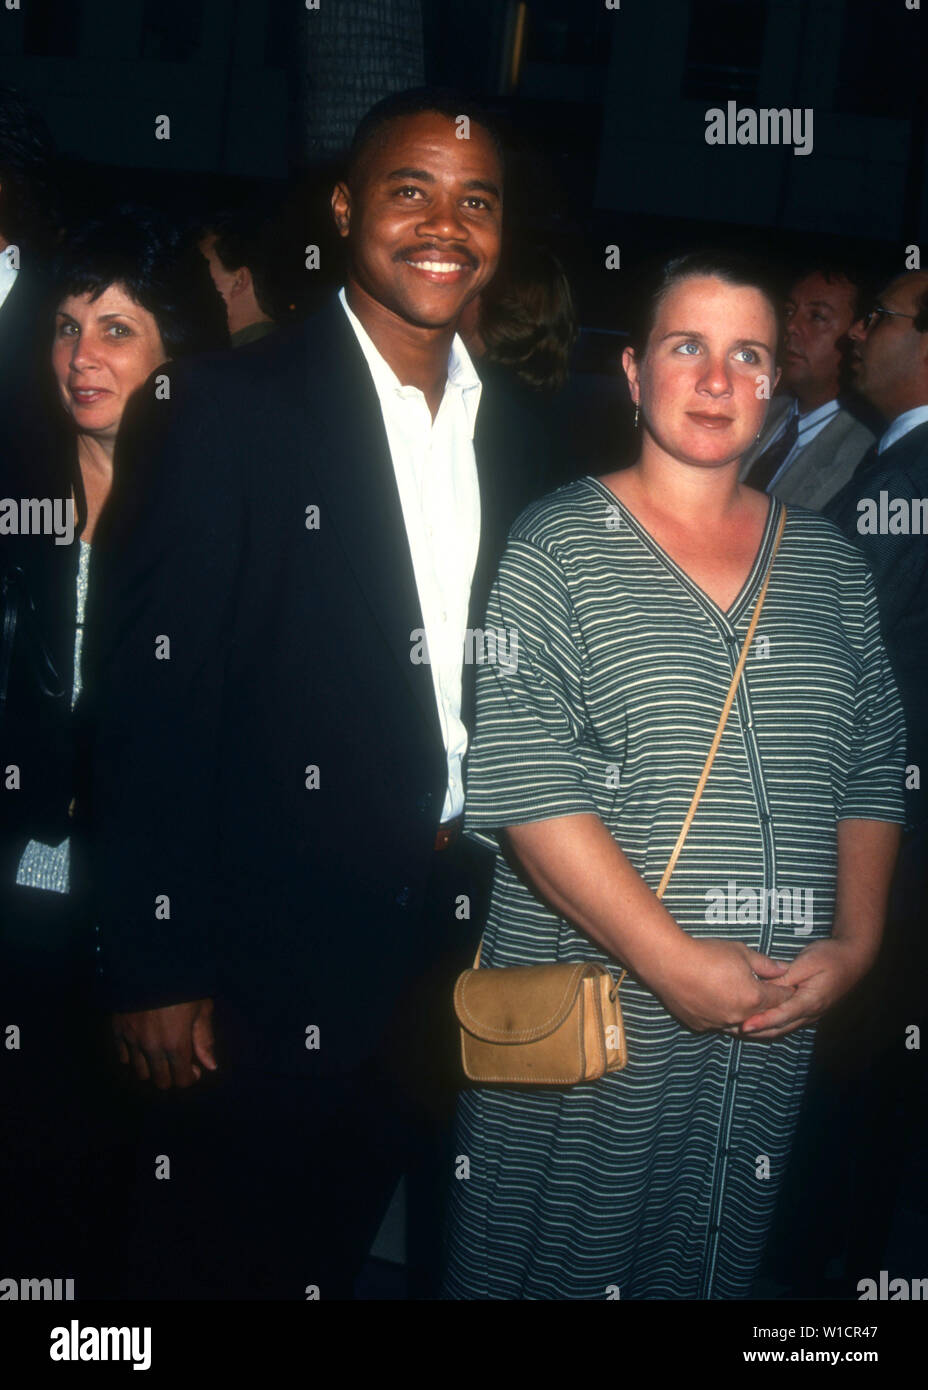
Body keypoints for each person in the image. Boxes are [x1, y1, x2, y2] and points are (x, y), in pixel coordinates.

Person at [82, 89, 546, 1300]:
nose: (446, 224)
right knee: (204, 1265)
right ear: (345, 209)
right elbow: (145, 702)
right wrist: (153, 960)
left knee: (339, 1259)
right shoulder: (225, 408)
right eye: (411, 190)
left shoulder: (527, 435)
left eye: (476, 199)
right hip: (254, 956)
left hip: (454, 940)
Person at [442, 251, 906, 1300]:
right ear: (635, 374)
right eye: (685, 346)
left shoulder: (831, 567)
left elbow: (876, 765)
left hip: (765, 1021)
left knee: (705, 1263)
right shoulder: (555, 544)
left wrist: (857, 942)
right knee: (558, 1266)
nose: (713, 378)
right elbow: (523, 779)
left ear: (773, 389)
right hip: (598, 1012)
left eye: (745, 354)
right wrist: (670, 962)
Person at [0, 209, 228, 1295]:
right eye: (64, 325)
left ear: (175, 356)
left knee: (123, 1202)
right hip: (24, 898)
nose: (80, 355)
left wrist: (169, 956)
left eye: (118, 330)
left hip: (147, 923)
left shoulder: (220, 525)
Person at [740, 263, 876, 507]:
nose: (790, 326)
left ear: (858, 333)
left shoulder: (867, 451)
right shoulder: (758, 410)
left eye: (817, 317)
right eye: (788, 311)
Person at [197, 207, 277, 347]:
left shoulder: (226, 363)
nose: (192, 285)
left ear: (239, 281)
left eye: (202, 272)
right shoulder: (286, 347)